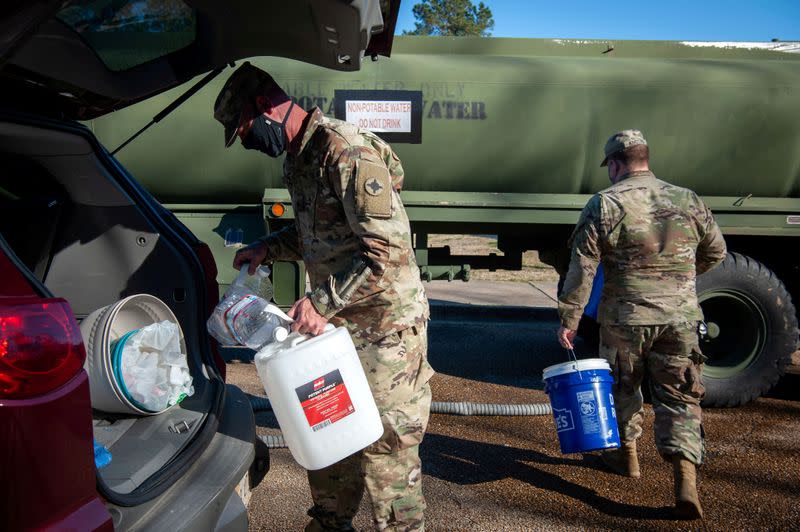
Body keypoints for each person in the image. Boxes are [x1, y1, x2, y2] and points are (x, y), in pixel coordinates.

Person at [213, 63, 433, 531]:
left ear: (264, 107)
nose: (250, 143)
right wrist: (268, 248)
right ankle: (330, 523)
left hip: (385, 330)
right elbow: (321, 233)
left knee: (385, 448)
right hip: (338, 330)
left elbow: (387, 252)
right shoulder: (299, 157)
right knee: (330, 427)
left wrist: (321, 303)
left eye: (247, 131)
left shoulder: (345, 151)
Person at [556, 129, 727, 520]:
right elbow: (717, 251)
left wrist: (570, 318)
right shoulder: (688, 199)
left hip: (626, 319)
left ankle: (627, 457)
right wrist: (680, 279)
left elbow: (582, 268)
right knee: (680, 395)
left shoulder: (605, 204)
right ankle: (685, 479)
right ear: (645, 158)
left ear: (615, 164)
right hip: (680, 317)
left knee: (622, 386)